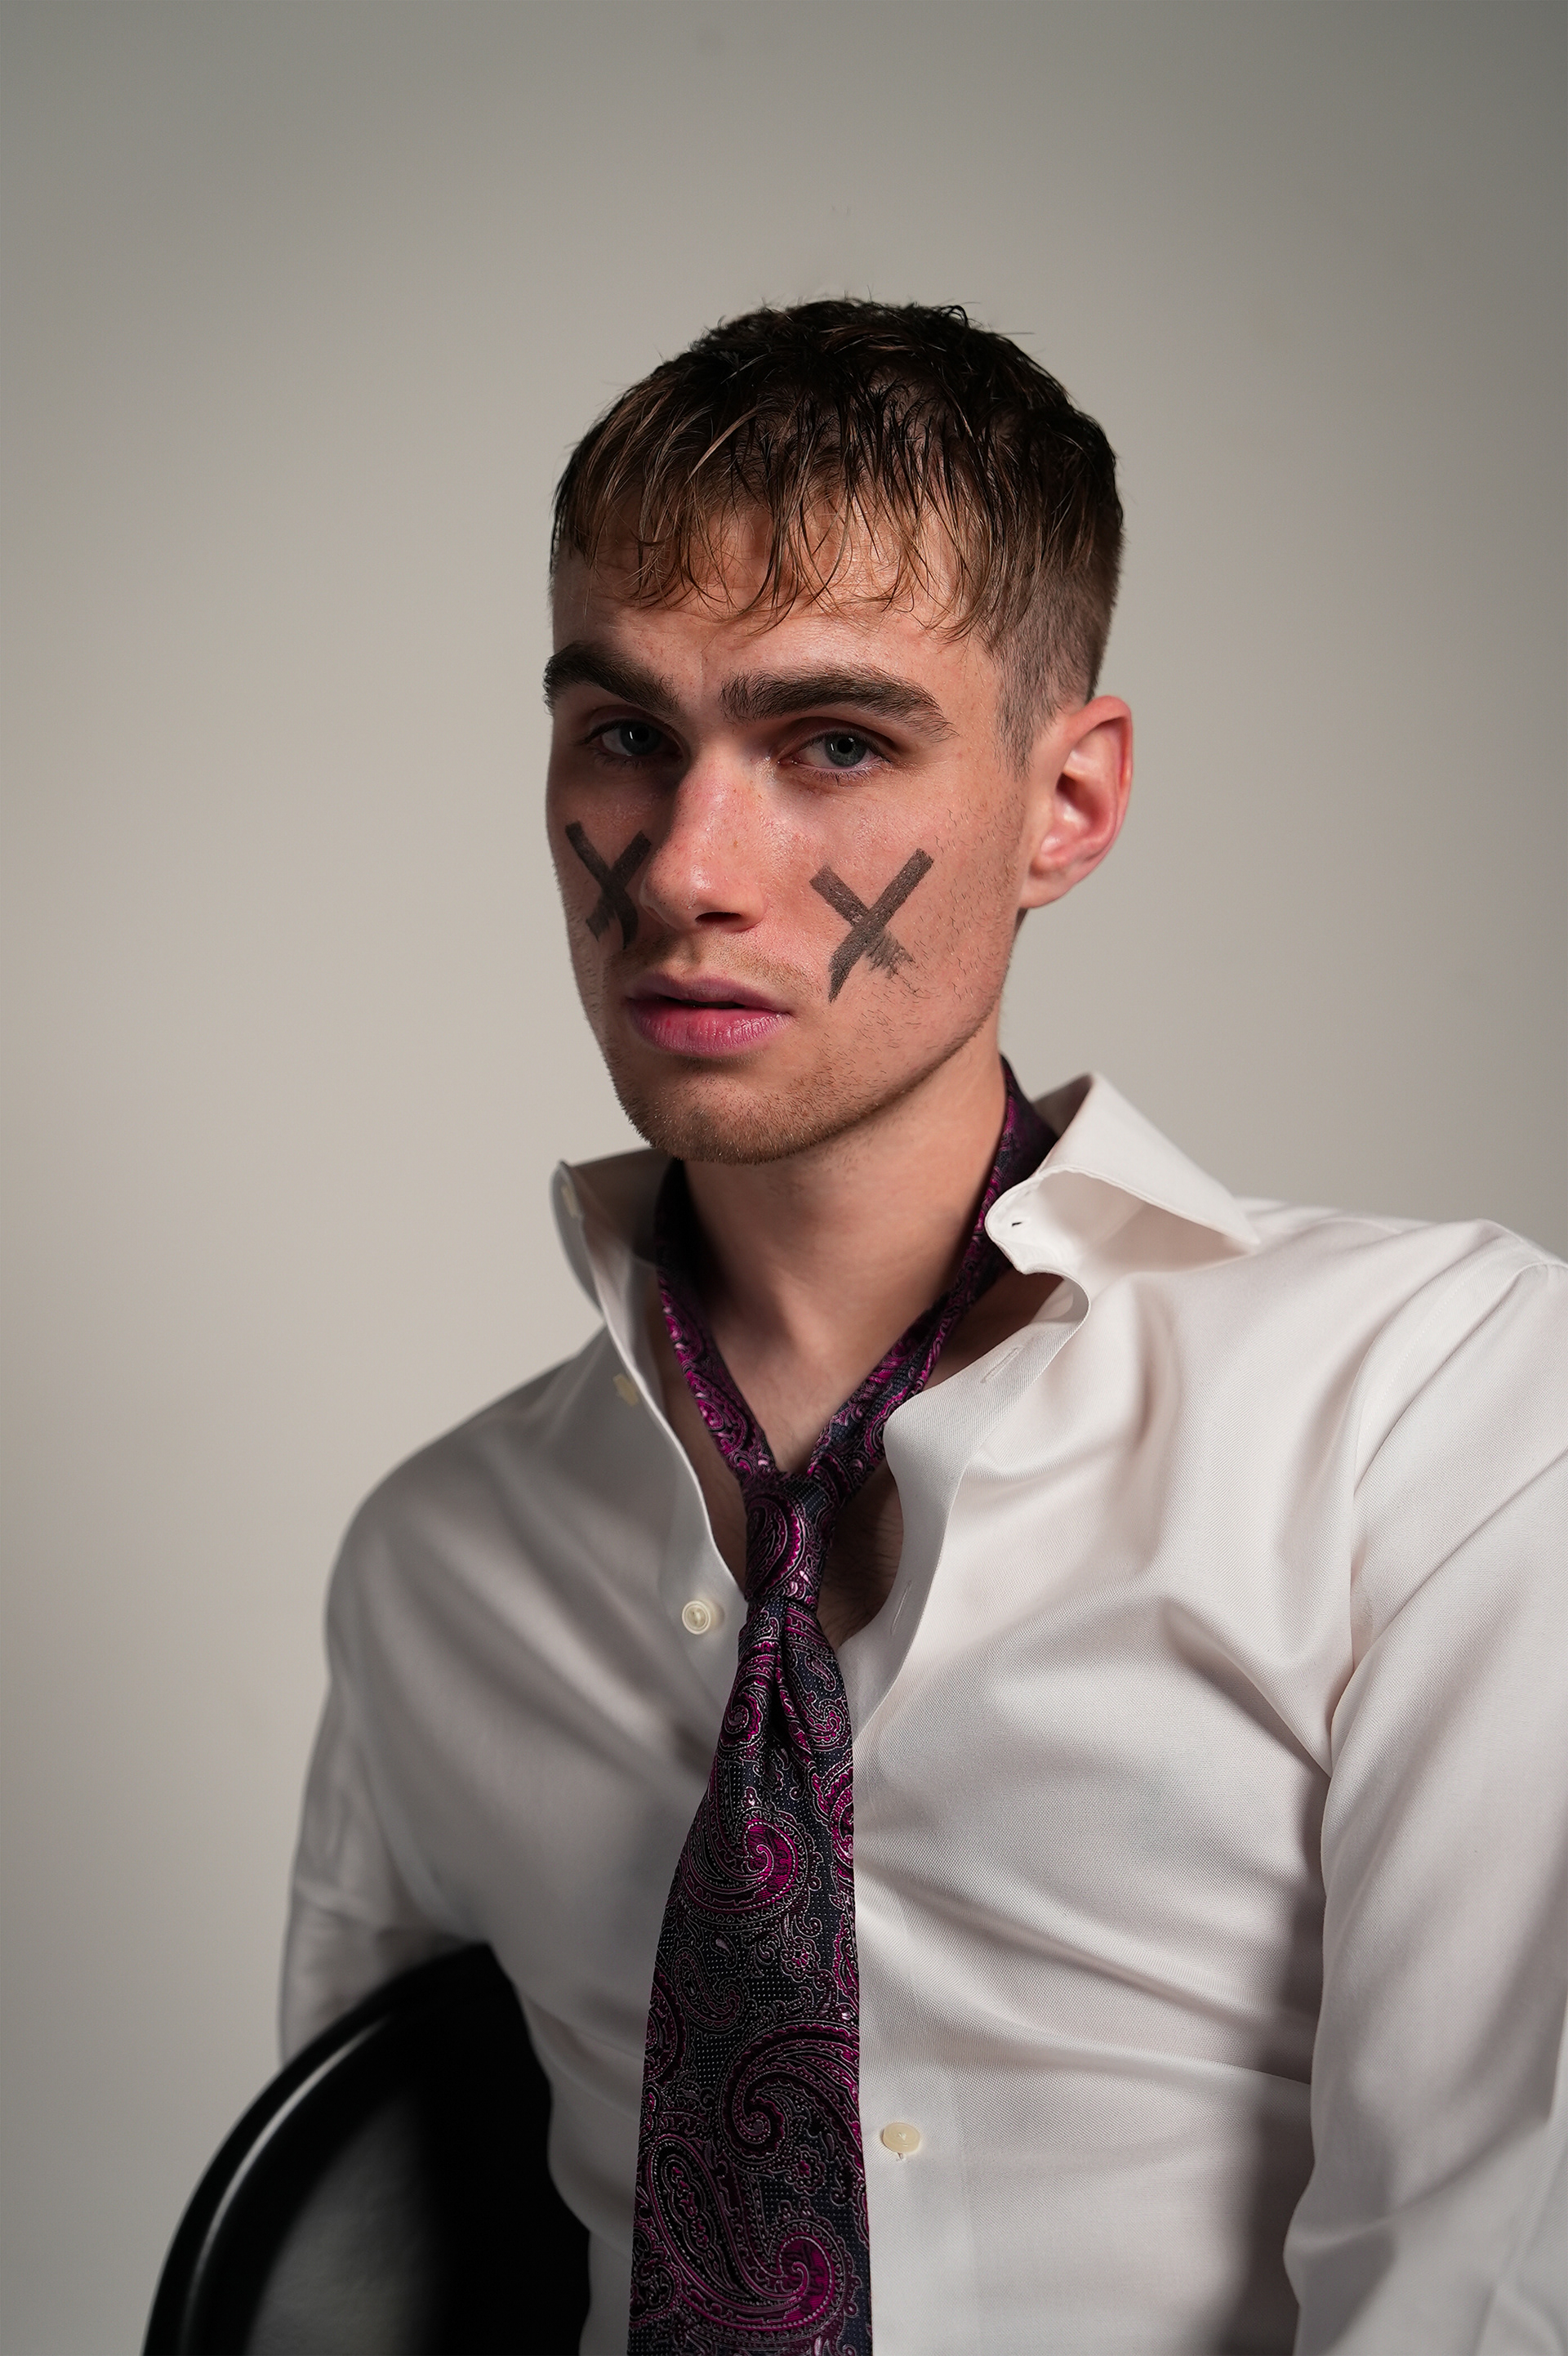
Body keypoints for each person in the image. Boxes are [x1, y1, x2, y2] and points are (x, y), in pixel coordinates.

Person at [281, 301, 1566, 2356]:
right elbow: (363, 2268)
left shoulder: (1431, 1411)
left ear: (1069, 799)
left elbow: (1487, 2268)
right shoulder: (438, 1563)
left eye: (836, 743)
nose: (688, 870)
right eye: (626, 735)